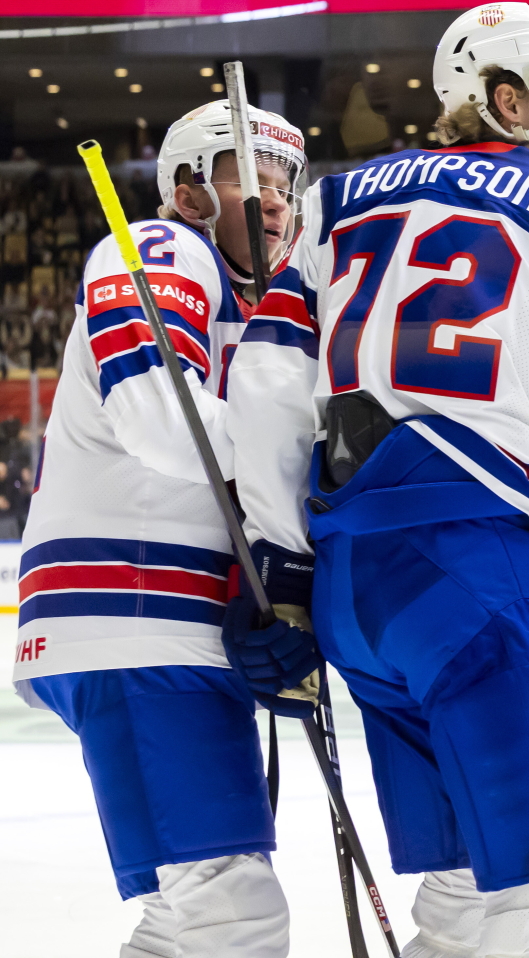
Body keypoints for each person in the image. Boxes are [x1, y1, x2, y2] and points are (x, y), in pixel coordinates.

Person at [227, 2, 529, 958]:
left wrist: (279, 568)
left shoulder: (330, 201)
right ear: (511, 100)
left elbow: (264, 388)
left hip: (356, 588)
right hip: (480, 566)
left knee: (462, 892)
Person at [11, 101, 306, 957]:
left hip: (166, 630)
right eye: (247, 176)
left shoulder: (262, 309)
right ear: (187, 189)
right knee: (231, 917)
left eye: (286, 178)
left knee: (187, 921)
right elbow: (155, 415)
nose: (275, 199)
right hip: (132, 620)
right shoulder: (163, 249)